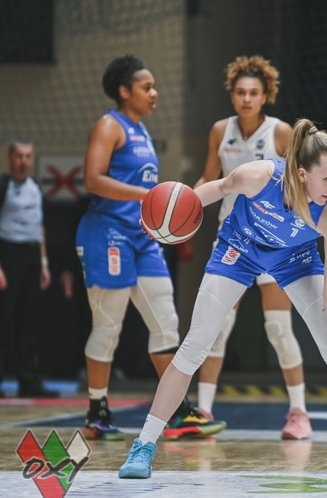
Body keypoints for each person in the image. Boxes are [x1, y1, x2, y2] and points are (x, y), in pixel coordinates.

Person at [118, 119, 327, 483]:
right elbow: (214, 189)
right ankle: (143, 445)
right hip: (239, 247)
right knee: (194, 346)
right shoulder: (257, 176)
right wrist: (165, 219)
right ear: (301, 174)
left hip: (294, 257)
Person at [77, 55, 225, 440]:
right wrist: (147, 195)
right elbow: (92, 180)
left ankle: (178, 411)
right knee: (108, 325)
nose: (155, 93)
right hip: (107, 233)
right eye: (147, 87)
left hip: (144, 238)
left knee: (166, 322)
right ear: (125, 91)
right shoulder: (109, 125)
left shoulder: (142, 132)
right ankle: (97, 411)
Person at [192, 55, 311, 439]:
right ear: (232, 95)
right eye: (240, 92)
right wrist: (180, 203)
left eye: (253, 93)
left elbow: (303, 184)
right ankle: (203, 412)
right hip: (233, 238)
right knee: (218, 326)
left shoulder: (281, 133)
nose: (246, 98)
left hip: (273, 240)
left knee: (278, 328)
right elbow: (208, 178)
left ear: (265, 96)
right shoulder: (219, 131)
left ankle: (299, 413)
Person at [0, 140, 58, 398]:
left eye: (28, 156)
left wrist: (44, 263)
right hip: (8, 253)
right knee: (2, 321)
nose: (24, 161)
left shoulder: (34, 187)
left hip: (32, 256)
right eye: (19, 156)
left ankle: (29, 381)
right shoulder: (1, 185)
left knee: (29, 322)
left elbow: (39, 225)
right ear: (10, 157)